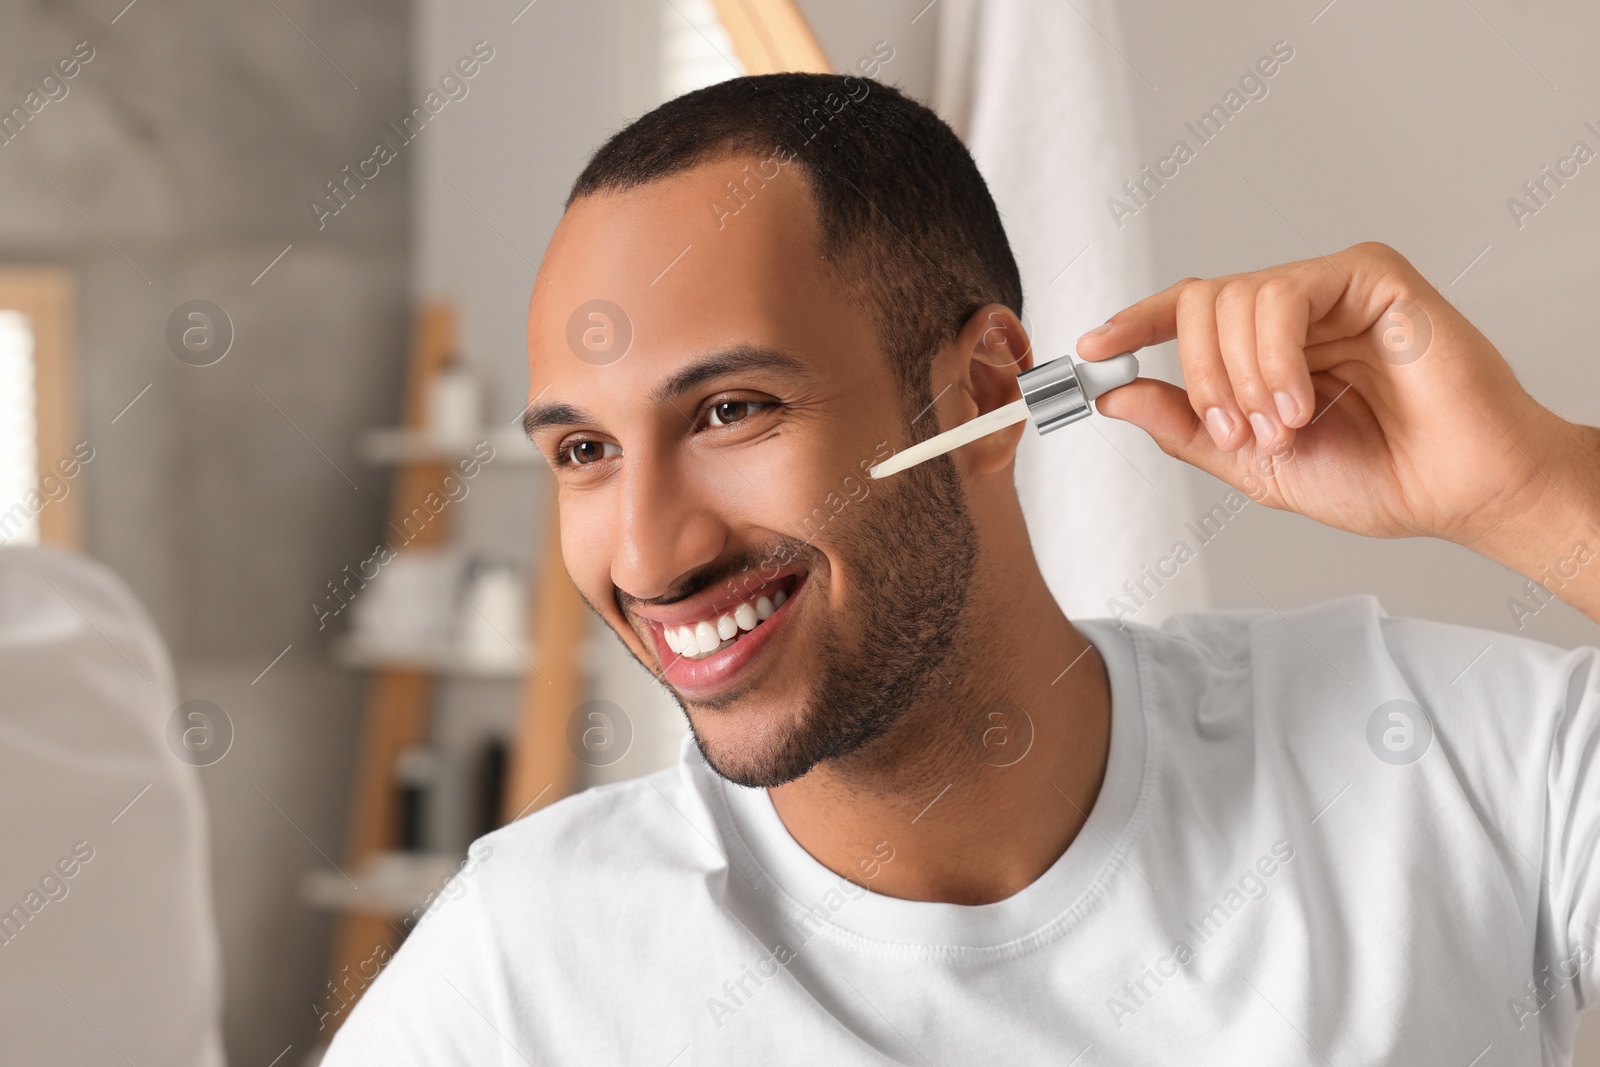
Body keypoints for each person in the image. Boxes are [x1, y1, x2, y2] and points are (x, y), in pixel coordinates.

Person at [323, 73, 1600, 1065]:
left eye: (730, 411)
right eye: (586, 450)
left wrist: (1530, 486)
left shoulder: (1435, 761)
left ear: (988, 393)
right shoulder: (526, 967)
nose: (651, 553)